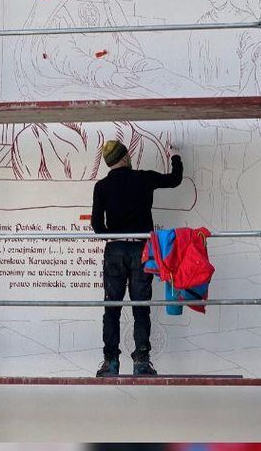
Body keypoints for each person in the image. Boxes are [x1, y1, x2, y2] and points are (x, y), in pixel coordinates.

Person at [91, 140, 183, 377]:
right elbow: (174, 179)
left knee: (112, 307)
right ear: (125, 157)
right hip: (142, 250)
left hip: (115, 251)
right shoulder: (143, 178)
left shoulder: (102, 187)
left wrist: (115, 236)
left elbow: (97, 226)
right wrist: (175, 155)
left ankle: (110, 362)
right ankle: (141, 361)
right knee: (141, 307)